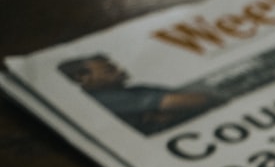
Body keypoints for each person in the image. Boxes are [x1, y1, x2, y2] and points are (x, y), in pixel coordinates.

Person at [58, 54, 221, 134]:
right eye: (109, 70)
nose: (120, 71)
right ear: (81, 77)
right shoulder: (103, 99)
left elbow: (183, 98)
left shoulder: (136, 89)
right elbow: (191, 101)